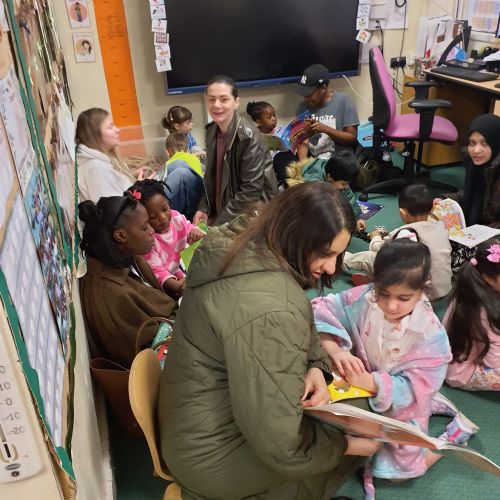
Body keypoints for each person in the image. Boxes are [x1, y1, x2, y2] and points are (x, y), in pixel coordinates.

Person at [158, 183, 381, 500]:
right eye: (325, 254)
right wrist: (344, 446)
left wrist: (316, 366)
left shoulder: (246, 243)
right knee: (357, 425)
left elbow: (298, 327)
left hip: (191, 427)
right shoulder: (271, 308)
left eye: (338, 254)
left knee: (347, 408)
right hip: (212, 458)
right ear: (296, 235)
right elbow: (282, 445)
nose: (332, 267)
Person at [312, 239, 452, 496]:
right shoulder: (362, 298)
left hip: (398, 402)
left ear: (423, 288)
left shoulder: (431, 335)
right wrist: (336, 350)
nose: (391, 305)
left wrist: (373, 383)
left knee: (397, 472)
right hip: (356, 385)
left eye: (404, 298)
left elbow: (420, 386)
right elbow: (321, 310)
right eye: (383, 293)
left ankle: (434, 450)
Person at [78, 193, 177, 368]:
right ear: (120, 236)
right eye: (145, 227)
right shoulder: (111, 295)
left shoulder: (128, 257)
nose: (152, 231)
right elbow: (151, 355)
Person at [193, 75, 278, 226]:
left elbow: (250, 192)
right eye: (211, 99)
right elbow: (211, 177)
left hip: (254, 216)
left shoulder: (248, 136)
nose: (216, 105)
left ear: (236, 102)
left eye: (224, 99)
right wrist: (204, 208)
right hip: (226, 212)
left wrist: (217, 226)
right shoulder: (211, 132)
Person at [343, 184, 452, 300]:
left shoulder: (404, 233)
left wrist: (375, 238)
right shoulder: (441, 228)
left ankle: (342, 260)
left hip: (416, 292)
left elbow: (379, 250)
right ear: (432, 209)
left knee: (370, 257)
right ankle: (375, 280)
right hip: (442, 289)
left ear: (402, 213)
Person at [127, 180, 205, 298]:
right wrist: (176, 286)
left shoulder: (176, 218)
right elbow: (156, 270)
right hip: (163, 283)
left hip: (175, 270)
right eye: (153, 217)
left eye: (165, 209)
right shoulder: (148, 240)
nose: (163, 217)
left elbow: (189, 229)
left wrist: (196, 232)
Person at [444, 237, 500, 391]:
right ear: (488, 278)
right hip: (461, 372)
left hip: (455, 354)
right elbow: (494, 363)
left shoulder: (470, 287)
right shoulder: (486, 312)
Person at [76, 108, 141, 203]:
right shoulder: (96, 168)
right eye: (111, 127)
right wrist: (139, 188)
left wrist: (134, 177)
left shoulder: (102, 160)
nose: (117, 130)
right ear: (95, 134)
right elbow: (115, 208)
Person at [295, 64, 359, 159]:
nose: (306, 98)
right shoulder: (302, 108)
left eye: (309, 94)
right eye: (304, 94)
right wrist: (303, 166)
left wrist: (325, 129)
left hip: (342, 161)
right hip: (315, 163)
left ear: (323, 88)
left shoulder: (344, 101)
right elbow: (302, 142)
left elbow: (352, 139)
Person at [246, 100, 307, 189]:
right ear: (259, 122)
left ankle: (294, 185)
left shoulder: (282, 131)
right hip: (267, 165)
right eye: (269, 117)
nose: (274, 118)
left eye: (274, 115)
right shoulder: (253, 135)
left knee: (282, 157)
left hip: (283, 164)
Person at [461, 114, 500, 228]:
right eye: (472, 143)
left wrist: (481, 232)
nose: (476, 150)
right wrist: (446, 200)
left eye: (485, 143)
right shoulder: (476, 166)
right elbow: (472, 194)